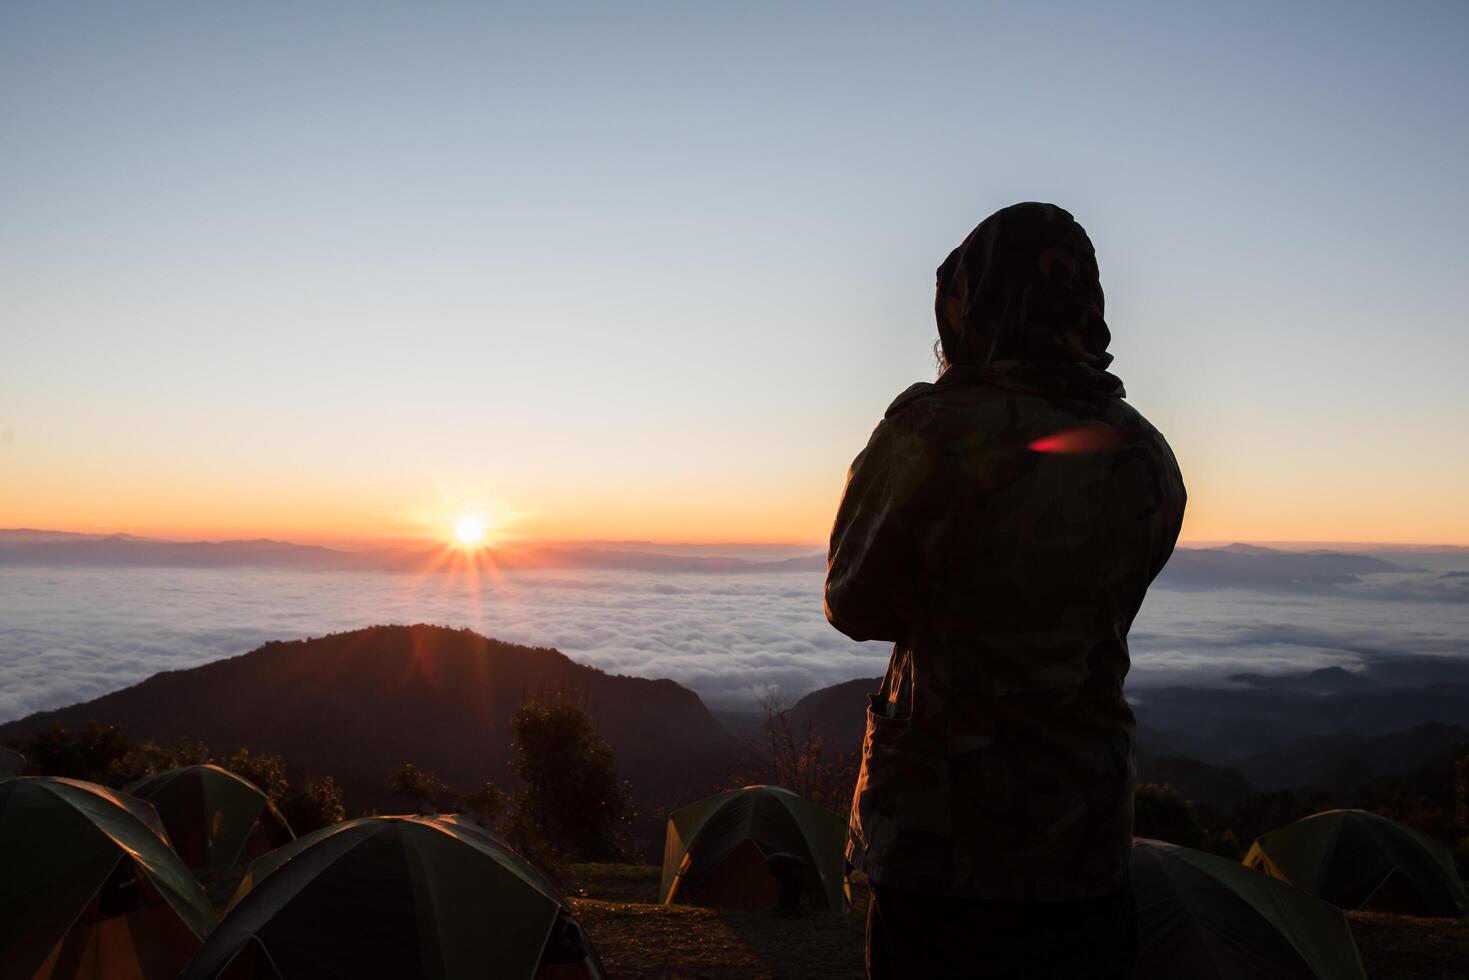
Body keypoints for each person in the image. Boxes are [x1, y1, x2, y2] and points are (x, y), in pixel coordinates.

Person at [826, 202, 1186, 979]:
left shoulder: (931, 430)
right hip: (1086, 841)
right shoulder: (1145, 453)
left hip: (940, 846)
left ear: (968, 303)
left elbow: (850, 601)